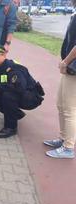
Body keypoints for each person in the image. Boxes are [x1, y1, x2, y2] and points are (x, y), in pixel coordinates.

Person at [44, 3, 76, 159]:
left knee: (70, 109)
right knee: (61, 104)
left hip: (73, 67)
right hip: (70, 67)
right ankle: (63, 139)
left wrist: (66, 61)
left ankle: (68, 147)